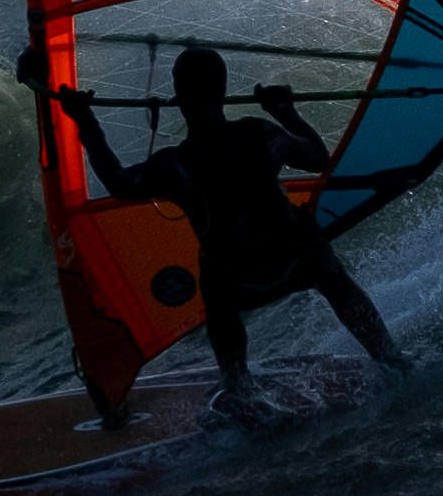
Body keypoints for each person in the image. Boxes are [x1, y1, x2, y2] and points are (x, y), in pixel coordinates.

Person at [30, 37, 402, 418]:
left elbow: (118, 181)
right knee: (327, 268)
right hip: (295, 263)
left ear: (178, 94)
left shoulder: (175, 164)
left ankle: (240, 390)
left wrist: (87, 124)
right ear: (223, 92)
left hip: (239, 282)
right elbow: (317, 158)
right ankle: (391, 360)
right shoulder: (260, 133)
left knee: (214, 277)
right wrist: (285, 111)